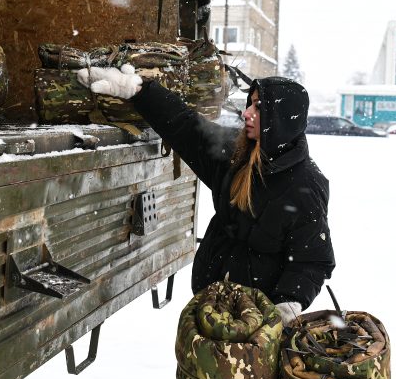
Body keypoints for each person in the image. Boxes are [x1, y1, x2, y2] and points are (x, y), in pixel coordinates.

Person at [78, 65, 335, 324]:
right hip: (210, 308)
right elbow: (188, 128)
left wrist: (288, 303)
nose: (247, 112)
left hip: (256, 324)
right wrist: (139, 91)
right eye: (250, 103)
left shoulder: (305, 186)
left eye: (258, 107)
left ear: (281, 118)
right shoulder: (238, 154)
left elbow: (311, 260)